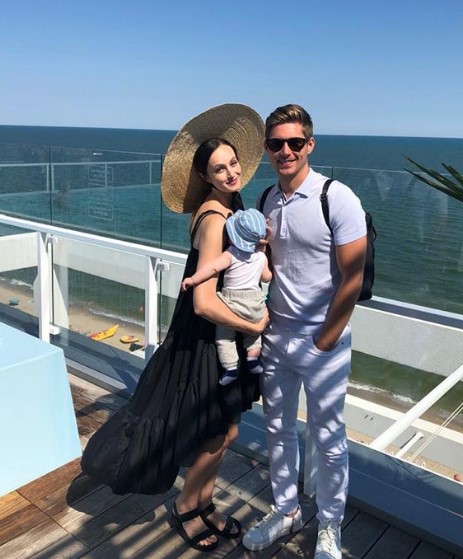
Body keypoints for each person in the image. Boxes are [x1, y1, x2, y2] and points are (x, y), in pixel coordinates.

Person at [80, 103, 268, 553]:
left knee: (225, 432)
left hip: (221, 336)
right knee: (218, 433)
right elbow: (203, 302)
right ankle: (187, 507)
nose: (230, 173)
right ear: (204, 175)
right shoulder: (215, 220)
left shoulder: (233, 205)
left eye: (233, 163)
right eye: (219, 169)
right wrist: (255, 322)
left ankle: (202, 502)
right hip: (206, 339)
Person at [242, 104, 367, 559]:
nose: (286, 151)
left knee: (328, 439)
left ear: (309, 144)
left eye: (295, 142)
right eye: (276, 144)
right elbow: (271, 265)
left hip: (322, 340)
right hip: (276, 334)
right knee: (277, 428)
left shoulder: (337, 198)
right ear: (266, 149)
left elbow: (352, 277)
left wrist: (326, 338)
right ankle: (286, 510)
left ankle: (330, 525)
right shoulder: (266, 199)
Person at [182, 207, 272, 385]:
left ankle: (230, 367)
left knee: (224, 337)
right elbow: (267, 277)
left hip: (232, 301)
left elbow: (212, 268)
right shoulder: (260, 258)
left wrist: (193, 279)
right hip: (254, 302)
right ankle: (253, 358)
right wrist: (263, 253)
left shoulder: (231, 254)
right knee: (253, 336)